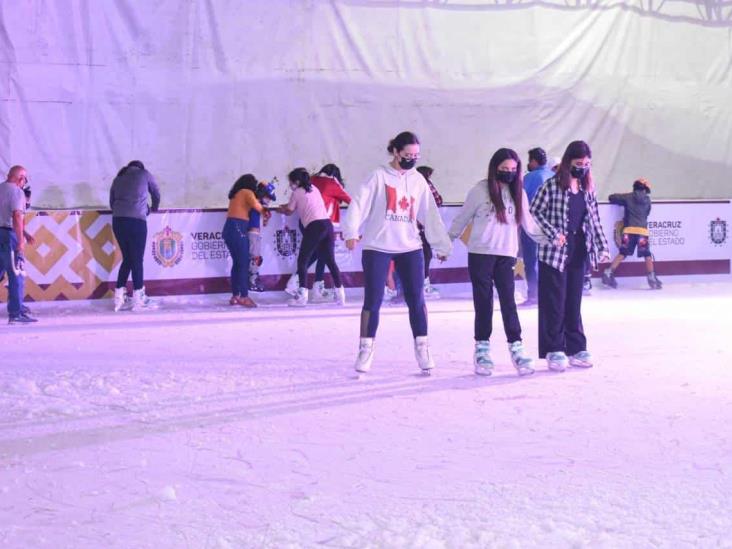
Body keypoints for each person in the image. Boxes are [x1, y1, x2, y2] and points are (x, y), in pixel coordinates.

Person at [342, 131, 452, 374]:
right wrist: (351, 231)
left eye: (416, 156)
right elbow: (358, 203)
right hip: (377, 246)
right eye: (407, 155)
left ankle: (422, 347)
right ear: (395, 152)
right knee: (373, 300)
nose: (412, 160)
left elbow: (429, 214)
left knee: (417, 299)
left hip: (410, 246)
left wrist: (441, 244)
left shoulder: (418, 181)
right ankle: (365, 348)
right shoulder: (378, 176)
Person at [449, 148, 547, 376]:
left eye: (513, 170)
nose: (509, 174)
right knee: (483, 303)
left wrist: (550, 240)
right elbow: (461, 219)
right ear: (495, 169)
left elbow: (529, 225)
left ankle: (517, 347)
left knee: (508, 302)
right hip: (481, 254)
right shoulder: (480, 190)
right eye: (504, 169)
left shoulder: (518, 192)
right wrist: (445, 244)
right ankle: (482, 349)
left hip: (506, 254)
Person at [530, 140, 610, 371]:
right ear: (567, 162)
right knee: (554, 301)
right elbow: (534, 212)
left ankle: (576, 347)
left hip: (578, 249)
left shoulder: (587, 190)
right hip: (554, 252)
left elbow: (594, 219)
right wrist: (554, 233)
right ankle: (554, 348)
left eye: (586, 164)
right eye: (578, 163)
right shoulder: (552, 186)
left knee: (574, 300)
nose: (582, 168)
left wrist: (602, 246)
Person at [279, 167, 345, 307]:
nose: (290, 186)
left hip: (314, 227)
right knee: (331, 261)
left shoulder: (296, 192)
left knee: (303, 260)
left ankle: (302, 296)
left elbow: (290, 210)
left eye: (291, 182)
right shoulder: (314, 188)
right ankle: (341, 295)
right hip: (327, 225)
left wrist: (281, 209)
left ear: (296, 181)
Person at [109, 160, 160, 311]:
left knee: (128, 259)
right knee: (137, 259)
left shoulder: (118, 178)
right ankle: (138, 297)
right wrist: (154, 208)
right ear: (140, 167)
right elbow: (156, 192)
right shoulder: (144, 174)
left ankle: (119, 296)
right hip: (136, 221)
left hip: (118, 221)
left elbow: (112, 203)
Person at [603, 178, 662, 289]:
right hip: (642, 232)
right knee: (647, 255)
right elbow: (647, 213)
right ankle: (652, 278)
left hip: (628, 230)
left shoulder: (628, 197)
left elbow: (612, 197)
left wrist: (626, 198)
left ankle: (608, 272)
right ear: (645, 189)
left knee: (623, 253)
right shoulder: (647, 200)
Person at [0, 165, 37, 323]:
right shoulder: (17, 192)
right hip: (9, 236)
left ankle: (17, 308)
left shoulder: (1, 188)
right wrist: (21, 241)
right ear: (20, 178)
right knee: (17, 274)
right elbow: (16, 217)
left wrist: (25, 233)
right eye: (25, 179)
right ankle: (15, 313)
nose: (24, 182)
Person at [520, 147, 554, 306]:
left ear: (533, 161)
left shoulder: (530, 177)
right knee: (549, 261)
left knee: (531, 260)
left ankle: (533, 295)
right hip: (552, 227)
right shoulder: (554, 176)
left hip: (533, 225)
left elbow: (520, 199)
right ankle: (548, 295)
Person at [223, 174, 263, 307]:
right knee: (244, 264)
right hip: (238, 228)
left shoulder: (236, 194)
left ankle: (235, 296)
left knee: (237, 263)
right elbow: (257, 206)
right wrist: (266, 212)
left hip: (229, 229)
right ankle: (244, 296)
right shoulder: (247, 192)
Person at [415, 165, 444, 299]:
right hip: (423, 227)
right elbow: (438, 200)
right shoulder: (426, 184)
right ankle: (424, 286)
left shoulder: (410, 184)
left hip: (410, 228)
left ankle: (414, 287)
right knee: (425, 256)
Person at [247, 179, 277, 293]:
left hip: (255, 234)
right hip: (252, 234)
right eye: (268, 197)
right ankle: (251, 281)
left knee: (256, 258)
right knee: (255, 258)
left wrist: (265, 216)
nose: (269, 200)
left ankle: (252, 279)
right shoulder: (254, 204)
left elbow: (264, 221)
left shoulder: (258, 205)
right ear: (262, 193)